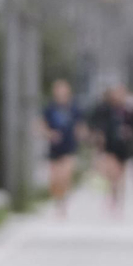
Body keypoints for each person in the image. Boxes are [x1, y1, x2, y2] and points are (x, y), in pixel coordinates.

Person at [88, 84, 133, 214]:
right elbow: (97, 125)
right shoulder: (105, 109)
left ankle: (118, 199)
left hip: (124, 146)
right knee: (113, 172)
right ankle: (112, 196)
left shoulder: (128, 111)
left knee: (121, 175)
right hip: (109, 145)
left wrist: (130, 132)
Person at [38, 79, 81, 217]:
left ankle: (64, 201)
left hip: (69, 147)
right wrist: (49, 134)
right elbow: (41, 125)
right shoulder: (49, 108)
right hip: (54, 148)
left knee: (65, 175)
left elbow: (80, 125)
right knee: (54, 179)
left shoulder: (74, 108)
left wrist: (82, 134)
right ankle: (58, 200)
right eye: (58, 90)